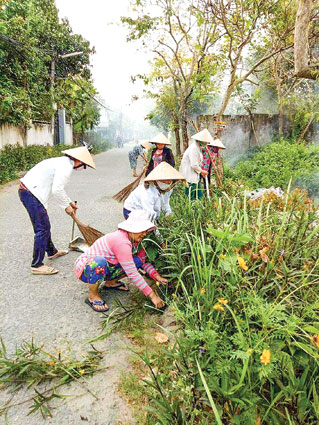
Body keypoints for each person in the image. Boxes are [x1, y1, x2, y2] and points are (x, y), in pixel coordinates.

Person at [19, 146, 95, 275]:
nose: (82, 168)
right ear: (78, 161)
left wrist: (69, 202)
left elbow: (58, 188)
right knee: (42, 228)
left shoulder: (62, 162)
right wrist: (67, 207)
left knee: (45, 225)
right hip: (31, 193)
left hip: (30, 191)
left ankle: (52, 251)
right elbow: (57, 190)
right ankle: (37, 265)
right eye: (84, 165)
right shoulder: (66, 167)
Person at [73, 210, 167, 312]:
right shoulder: (121, 241)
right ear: (132, 229)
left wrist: (157, 276)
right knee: (99, 263)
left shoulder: (137, 241)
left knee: (137, 260)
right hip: (86, 269)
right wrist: (152, 295)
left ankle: (110, 283)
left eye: (146, 230)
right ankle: (93, 296)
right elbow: (132, 272)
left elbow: (143, 262)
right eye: (141, 230)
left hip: (109, 265)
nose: (144, 234)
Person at [179, 128, 213, 201]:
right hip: (189, 175)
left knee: (198, 194)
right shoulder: (193, 148)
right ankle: (190, 210)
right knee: (191, 196)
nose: (206, 144)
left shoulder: (198, 147)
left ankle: (197, 209)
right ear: (200, 141)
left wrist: (201, 171)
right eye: (205, 142)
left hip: (194, 174)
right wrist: (202, 171)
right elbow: (194, 165)